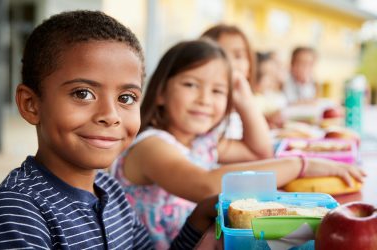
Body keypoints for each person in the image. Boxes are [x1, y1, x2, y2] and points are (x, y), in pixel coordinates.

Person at [0, 10, 218, 250]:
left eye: (126, 97)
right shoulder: (17, 212)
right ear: (31, 104)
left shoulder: (111, 190)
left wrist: (197, 221)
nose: (110, 116)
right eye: (83, 93)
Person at [112, 39, 365, 248]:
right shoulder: (150, 146)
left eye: (217, 91)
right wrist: (301, 164)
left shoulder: (202, 143)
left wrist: (243, 98)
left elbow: (259, 150)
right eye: (191, 84)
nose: (204, 99)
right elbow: (206, 184)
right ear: (160, 92)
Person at [201, 24, 271, 142]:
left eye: (238, 56)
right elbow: (262, 152)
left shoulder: (239, 111)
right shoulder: (204, 108)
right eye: (220, 54)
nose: (230, 63)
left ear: (249, 67)